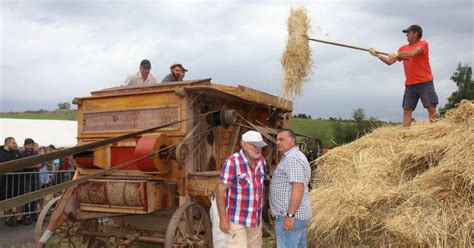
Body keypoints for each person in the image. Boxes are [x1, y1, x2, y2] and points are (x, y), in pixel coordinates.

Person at [368, 24, 439, 127]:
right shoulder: (402, 48)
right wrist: (377, 55)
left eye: (408, 33)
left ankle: (435, 131)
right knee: (407, 110)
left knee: (431, 108)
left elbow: (414, 53)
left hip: (425, 83)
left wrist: (398, 54)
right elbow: (389, 61)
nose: (406, 36)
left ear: (415, 33)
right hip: (410, 84)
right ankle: (405, 135)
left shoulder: (423, 44)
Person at [216, 130, 267, 247]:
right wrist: (223, 218)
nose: (259, 150)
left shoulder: (261, 161)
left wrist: (262, 201)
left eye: (261, 146)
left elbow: (261, 184)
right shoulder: (232, 162)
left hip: (255, 219)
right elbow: (220, 191)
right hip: (236, 219)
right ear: (244, 146)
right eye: (255, 146)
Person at [270, 129, 312, 248]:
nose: (277, 142)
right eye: (277, 139)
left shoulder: (292, 159)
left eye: (281, 139)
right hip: (297, 216)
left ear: (292, 141)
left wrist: (290, 216)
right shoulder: (294, 156)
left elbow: (298, 187)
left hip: (291, 216)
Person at [18, 138, 40, 224]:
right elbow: (22, 166)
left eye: (31, 145)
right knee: (27, 198)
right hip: (26, 178)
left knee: (35, 197)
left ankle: (34, 215)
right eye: (28, 145)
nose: (30, 147)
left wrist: (39, 165)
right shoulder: (21, 154)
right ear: (25, 145)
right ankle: (25, 216)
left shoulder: (36, 153)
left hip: (35, 177)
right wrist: (35, 166)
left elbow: (41, 163)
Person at [0, 137, 20, 227]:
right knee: (6, 197)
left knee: (13, 197)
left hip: (15, 179)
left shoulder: (15, 152)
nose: (15, 144)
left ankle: (11, 217)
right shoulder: (1, 153)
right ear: (7, 143)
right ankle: (8, 217)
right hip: (4, 180)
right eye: (13, 143)